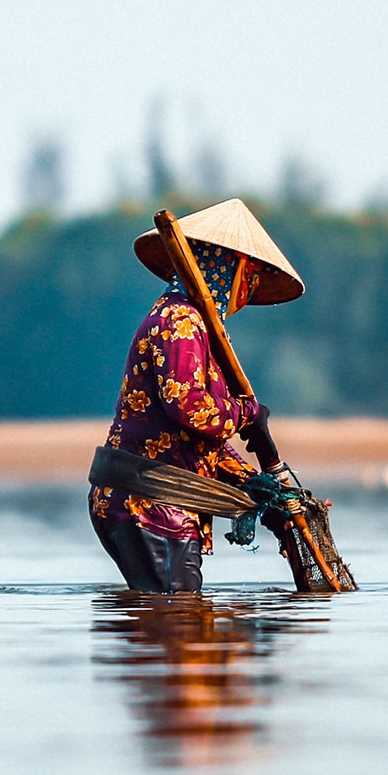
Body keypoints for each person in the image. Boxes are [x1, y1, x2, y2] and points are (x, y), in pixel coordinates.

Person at [87, 199, 304, 593]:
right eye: (248, 276)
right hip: (150, 503)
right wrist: (245, 412)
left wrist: (255, 486)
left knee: (167, 624)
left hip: (154, 501)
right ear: (225, 267)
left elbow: (203, 442)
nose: (249, 289)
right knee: (179, 624)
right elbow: (191, 408)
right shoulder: (180, 321)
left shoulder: (197, 326)